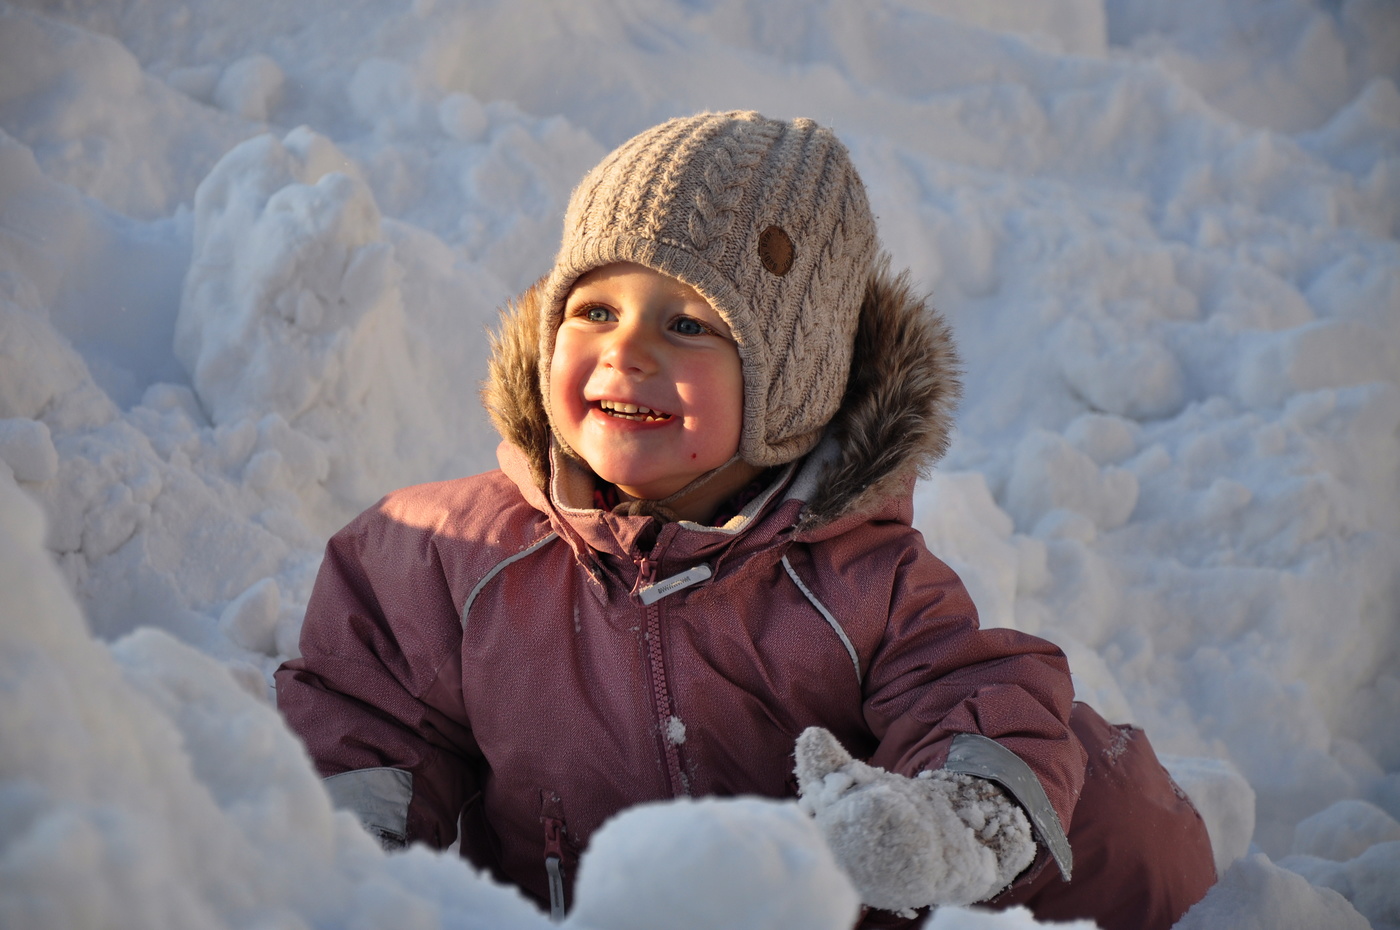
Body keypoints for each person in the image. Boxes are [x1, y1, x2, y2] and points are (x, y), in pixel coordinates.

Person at [275, 111, 1216, 929]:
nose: (626, 351)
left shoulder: (858, 582)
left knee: (1103, 789)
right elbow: (366, 709)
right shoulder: (452, 556)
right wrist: (368, 874)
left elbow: (972, 692)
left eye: (688, 324)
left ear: (793, 383)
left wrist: (937, 828)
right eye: (594, 309)